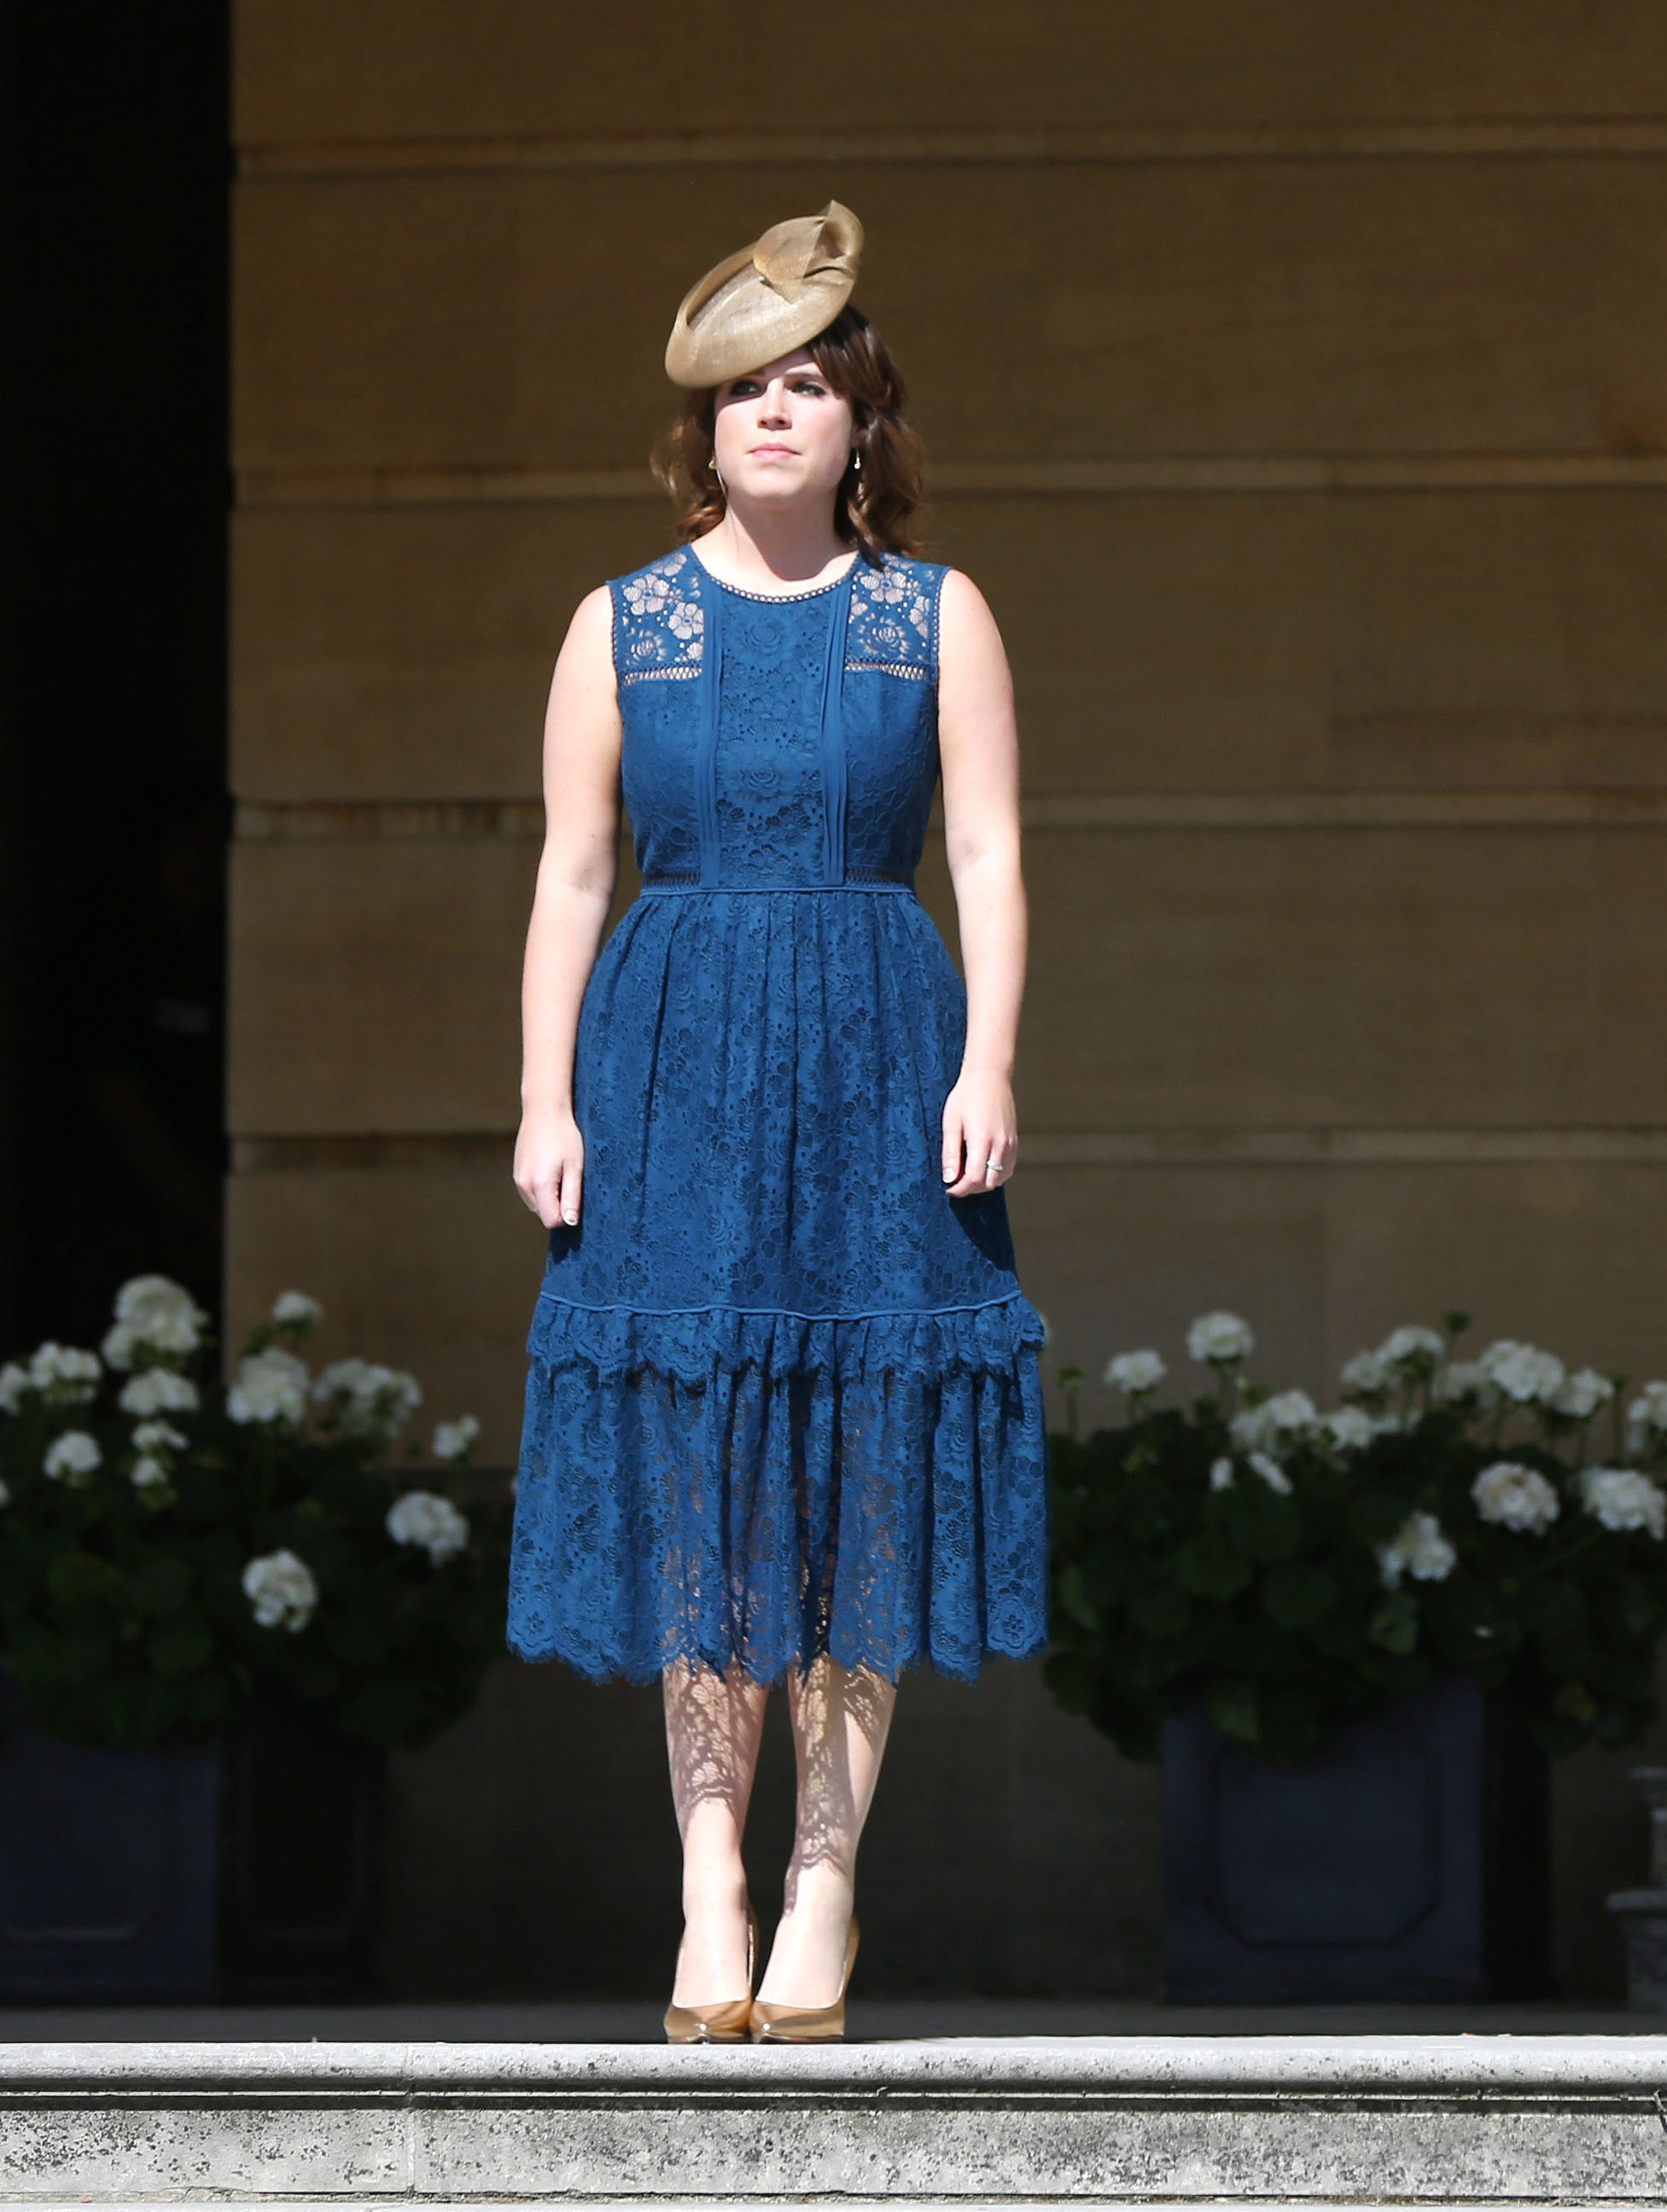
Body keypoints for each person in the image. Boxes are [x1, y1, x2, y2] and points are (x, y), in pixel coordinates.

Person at [503, 204, 1050, 2043]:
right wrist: (543, 1096)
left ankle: (826, 1885)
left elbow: (984, 856)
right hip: (671, 1067)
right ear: (702, 428)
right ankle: (709, 1882)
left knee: (859, 1468)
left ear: (859, 423)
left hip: (878, 1052)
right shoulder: (625, 622)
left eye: (807, 386)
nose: (771, 414)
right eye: (743, 390)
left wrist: (986, 1065)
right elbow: (574, 874)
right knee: (702, 1482)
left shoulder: (930, 613)